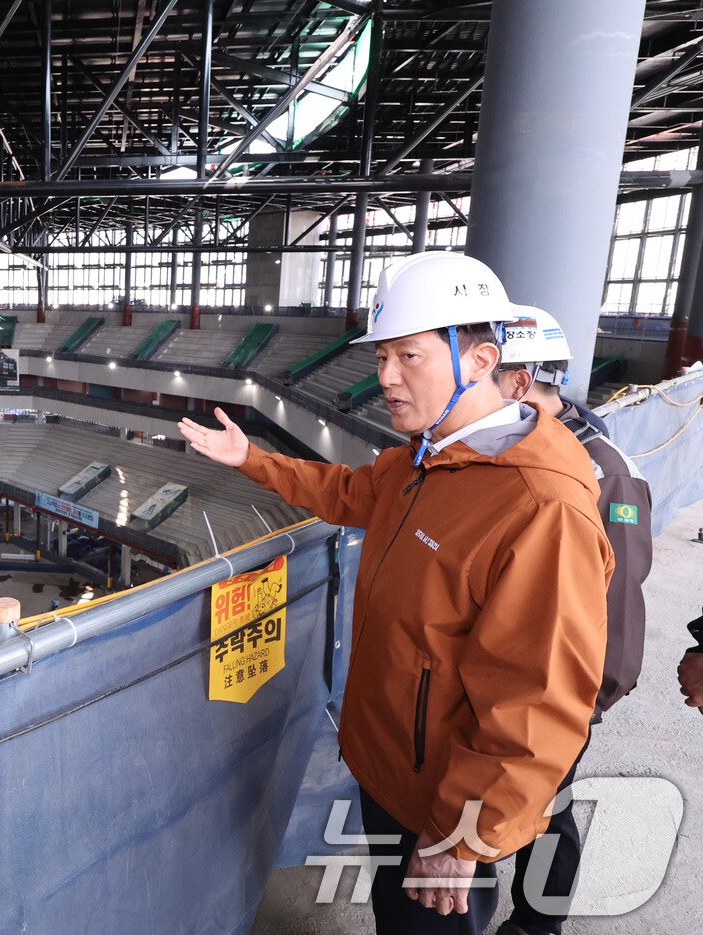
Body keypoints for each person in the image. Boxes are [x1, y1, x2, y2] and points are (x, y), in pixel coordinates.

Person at [178, 252, 612, 935]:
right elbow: (350, 492)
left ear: (479, 359)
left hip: (441, 807)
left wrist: (464, 836)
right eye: (383, 356)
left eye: (408, 356)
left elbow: (536, 700)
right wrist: (253, 460)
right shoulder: (431, 455)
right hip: (391, 771)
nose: (385, 377)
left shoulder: (540, 505)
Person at [491, 307, 652, 935]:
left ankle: (537, 922)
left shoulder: (603, 472)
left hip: (564, 688)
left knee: (545, 808)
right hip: (517, 673)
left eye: (489, 375)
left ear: (522, 379)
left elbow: (618, 600)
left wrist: (588, 698)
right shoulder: (522, 448)